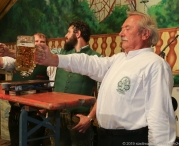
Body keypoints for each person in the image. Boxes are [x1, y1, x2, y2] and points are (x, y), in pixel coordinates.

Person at [34, 11, 176, 145]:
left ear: (145, 34)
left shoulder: (155, 65)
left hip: (130, 139)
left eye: (127, 28)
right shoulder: (119, 59)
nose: (121, 33)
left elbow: (160, 119)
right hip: (106, 138)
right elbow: (88, 62)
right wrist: (54, 59)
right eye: (122, 29)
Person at [0, 33, 49, 146]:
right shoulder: (16, 62)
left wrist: (45, 109)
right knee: (15, 142)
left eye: (42, 41)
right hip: (16, 111)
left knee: (33, 144)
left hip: (36, 112)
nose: (38, 43)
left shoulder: (49, 64)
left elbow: (54, 87)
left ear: (46, 45)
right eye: (36, 41)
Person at [46, 20, 101, 146]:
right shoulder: (60, 54)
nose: (65, 35)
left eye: (69, 32)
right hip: (56, 116)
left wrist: (90, 118)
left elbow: (103, 94)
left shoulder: (97, 59)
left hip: (78, 117)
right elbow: (40, 56)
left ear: (78, 34)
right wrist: (10, 54)